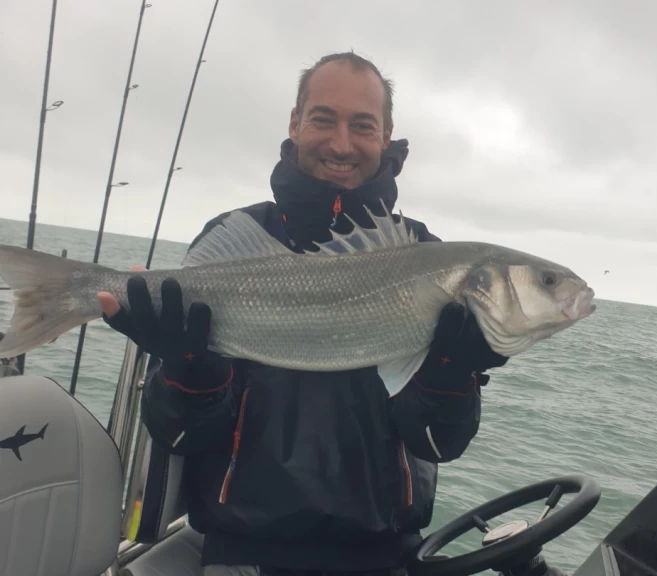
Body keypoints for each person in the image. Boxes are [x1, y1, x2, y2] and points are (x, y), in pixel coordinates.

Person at [98, 52, 512, 576]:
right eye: (323, 119)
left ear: (386, 135)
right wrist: (189, 372)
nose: (341, 143)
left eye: (362, 125)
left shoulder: (427, 258)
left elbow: (439, 443)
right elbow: (181, 437)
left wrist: (450, 382)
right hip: (241, 556)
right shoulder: (237, 240)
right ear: (295, 124)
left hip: (384, 560)